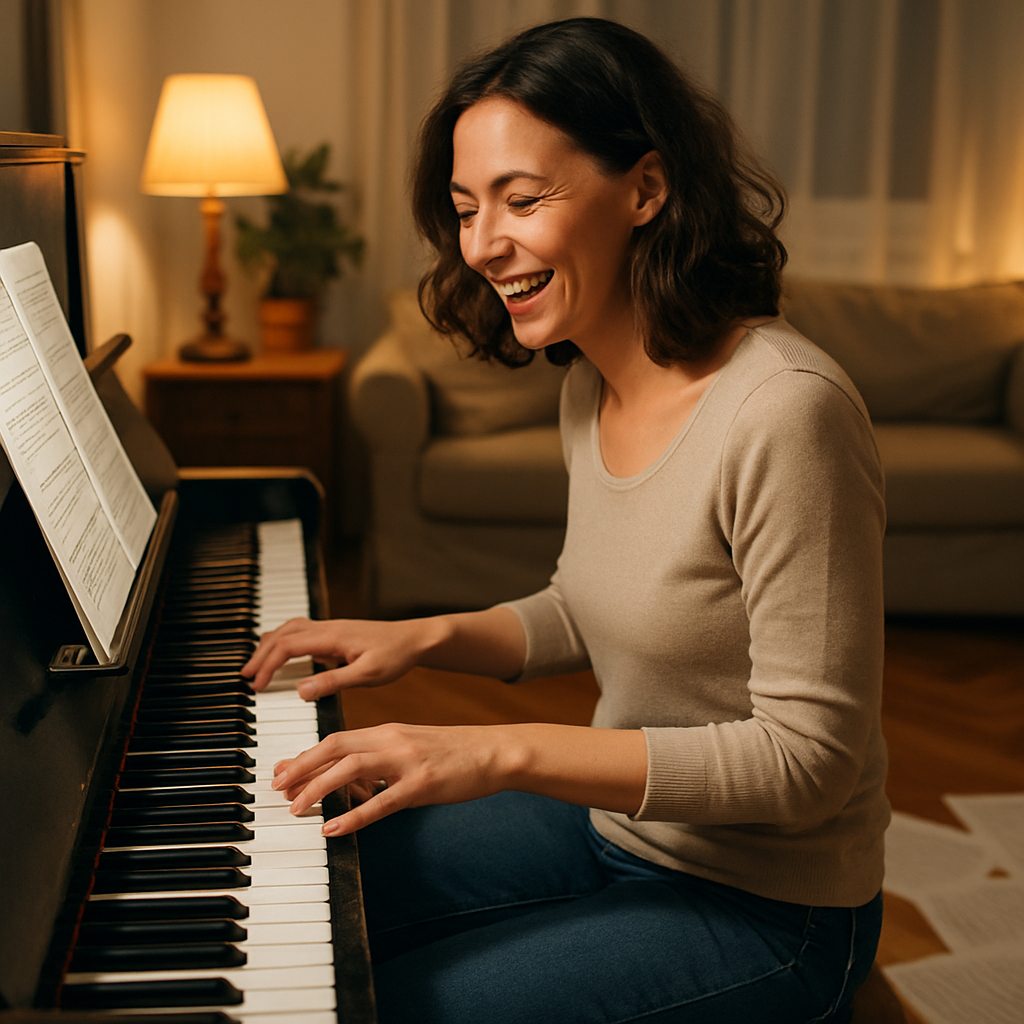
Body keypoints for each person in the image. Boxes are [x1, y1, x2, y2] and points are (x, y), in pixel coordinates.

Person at [242, 17, 889, 1024]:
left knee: (392, 1008)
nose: (483, 243)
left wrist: (495, 751)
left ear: (646, 187)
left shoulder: (786, 411)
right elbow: (592, 603)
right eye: (464, 208)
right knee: (310, 887)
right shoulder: (589, 379)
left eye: (521, 198)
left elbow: (808, 765)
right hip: (620, 831)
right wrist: (423, 636)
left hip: (774, 908)